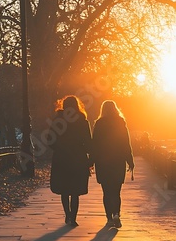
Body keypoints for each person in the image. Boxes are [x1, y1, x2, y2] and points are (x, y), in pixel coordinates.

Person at [49, 95, 92, 226]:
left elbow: (50, 140)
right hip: (78, 159)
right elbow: (88, 142)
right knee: (75, 190)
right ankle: (73, 217)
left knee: (64, 189)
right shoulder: (82, 121)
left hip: (61, 159)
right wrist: (91, 158)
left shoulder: (58, 121)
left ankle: (67, 214)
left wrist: (58, 148)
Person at [92, 100, 134, 228]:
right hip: (117, 161)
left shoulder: (99, 124)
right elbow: (126, 143)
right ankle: (117, 214)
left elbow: (95, 144)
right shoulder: (121, 123)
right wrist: (130, 160)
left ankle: (109, 217)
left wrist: (91, 161)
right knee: (116, 191)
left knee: (106, 191)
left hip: (103, 162)